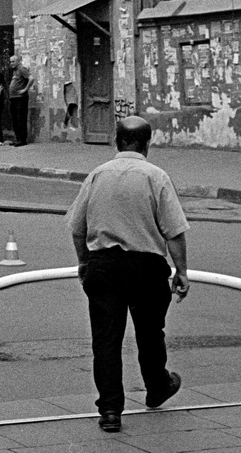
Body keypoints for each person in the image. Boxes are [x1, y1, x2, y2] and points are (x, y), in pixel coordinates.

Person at [67, 116, 190, 433]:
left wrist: (84, 263)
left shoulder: (97, 175)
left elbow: (77, 229)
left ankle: (109, 410)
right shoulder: (156, 176)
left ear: (116, 141)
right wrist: (181, 271)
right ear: (147, 144)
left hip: (103, 265)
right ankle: (157, 387)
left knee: (106, 341)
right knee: (150, 334)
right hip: (146, 268)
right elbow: (173, 231)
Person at [8, 53, 33, 147]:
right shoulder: (14, 71)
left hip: (20, 98)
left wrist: (25, 89)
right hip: (13, 98)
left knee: (20, 119)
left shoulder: (22, 69)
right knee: (14, 119)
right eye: (10, 62)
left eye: (13, 61)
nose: (11, 63)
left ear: (18, 61)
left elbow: (31, 78)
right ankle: (17, 138)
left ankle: (22, 139)